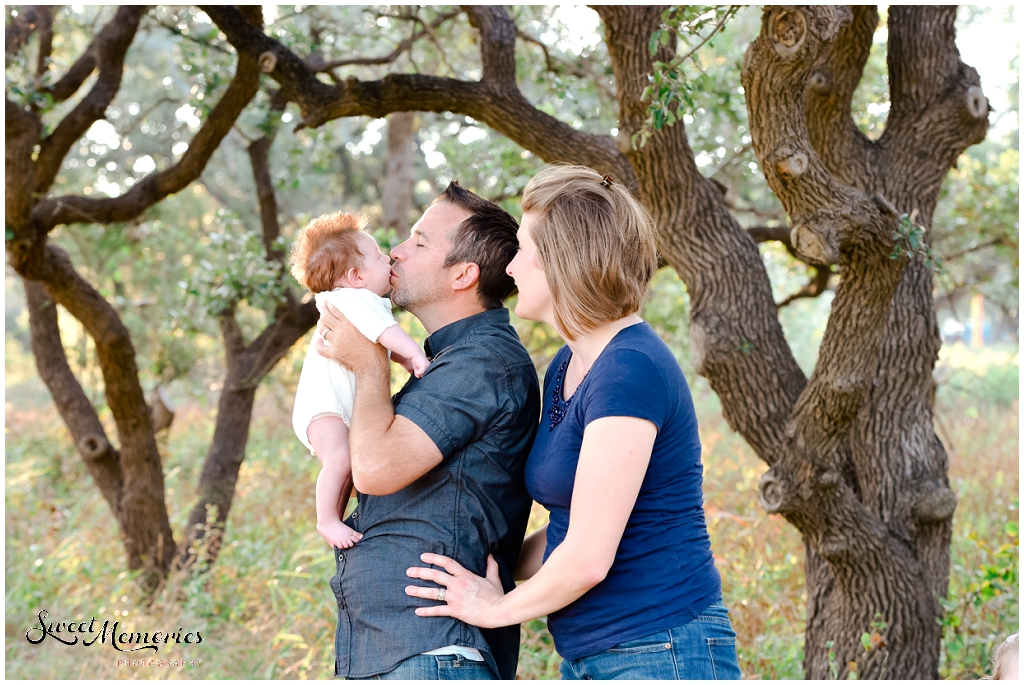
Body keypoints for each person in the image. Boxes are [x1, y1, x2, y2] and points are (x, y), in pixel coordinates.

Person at [405, 164, 743, 680]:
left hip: (662, 648)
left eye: (523, 250)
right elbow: (569, 531)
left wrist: (492, 610)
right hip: (596, 655)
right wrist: (485, 560)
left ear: (563, 261)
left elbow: (586, 559)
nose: (511, 268)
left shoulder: (630, 369)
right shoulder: (567, 364)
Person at [313, 183, 540, 680]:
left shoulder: (483, 363)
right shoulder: (446, 362)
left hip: (433, 654)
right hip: (400, 649)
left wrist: (370, 365)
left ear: (463, 274)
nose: (396, 251)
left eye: (419, 242)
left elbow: (374, 469)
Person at [290, 212, 430, 550]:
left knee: (346, 466)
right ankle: (326, 521)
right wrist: (415, 354)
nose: (388, 259)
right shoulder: (357, 300)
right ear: (355, 276)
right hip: (325, 408)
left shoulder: (349, 302)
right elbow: (386, 333)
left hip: (329, 406)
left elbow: (378, 341)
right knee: (339, 461)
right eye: (380, 257)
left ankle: (335, 519)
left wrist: (402, 358)